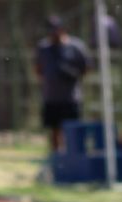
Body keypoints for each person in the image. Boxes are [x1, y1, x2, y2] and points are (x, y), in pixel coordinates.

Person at [35, 14, 89, 152]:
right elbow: (38, 69)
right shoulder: (43, 47)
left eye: (55, 29)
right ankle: (57, 161)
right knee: (54, 131)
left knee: (72, 131)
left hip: (70, 98)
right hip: (51, 97)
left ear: (62, 29)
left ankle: (74, 157)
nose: (52, 33)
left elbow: (86, 68)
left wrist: (73, 74)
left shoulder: (76, 46)